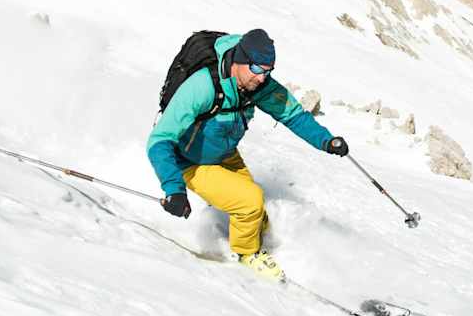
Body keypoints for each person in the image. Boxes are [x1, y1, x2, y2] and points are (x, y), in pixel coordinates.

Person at [146, 28, 348, 281]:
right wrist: (174, 189)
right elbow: (159, 140)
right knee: (250, 201)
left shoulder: (257, 85)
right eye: (256, 70)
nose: (262, 78)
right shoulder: (203, 86)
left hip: (224, 153)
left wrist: (326, 141)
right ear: (239, 61)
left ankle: (253, 237)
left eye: (267, 71)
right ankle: (247, 254)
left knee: (257, 212)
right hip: (188, 160)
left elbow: (293, 115)